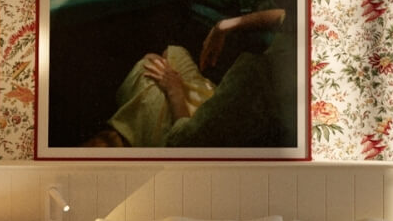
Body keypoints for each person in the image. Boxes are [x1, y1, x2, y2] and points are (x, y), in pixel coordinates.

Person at [84, 8, 293, 149]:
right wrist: (223, 26)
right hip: (215, 102)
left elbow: (183, 143)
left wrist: (174, 89)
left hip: (193, 130)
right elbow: (283, 16)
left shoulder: (256, 84)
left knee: (147, 71)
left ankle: (119, 140)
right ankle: (120, 136)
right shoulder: (313, 25)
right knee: (169, 54)